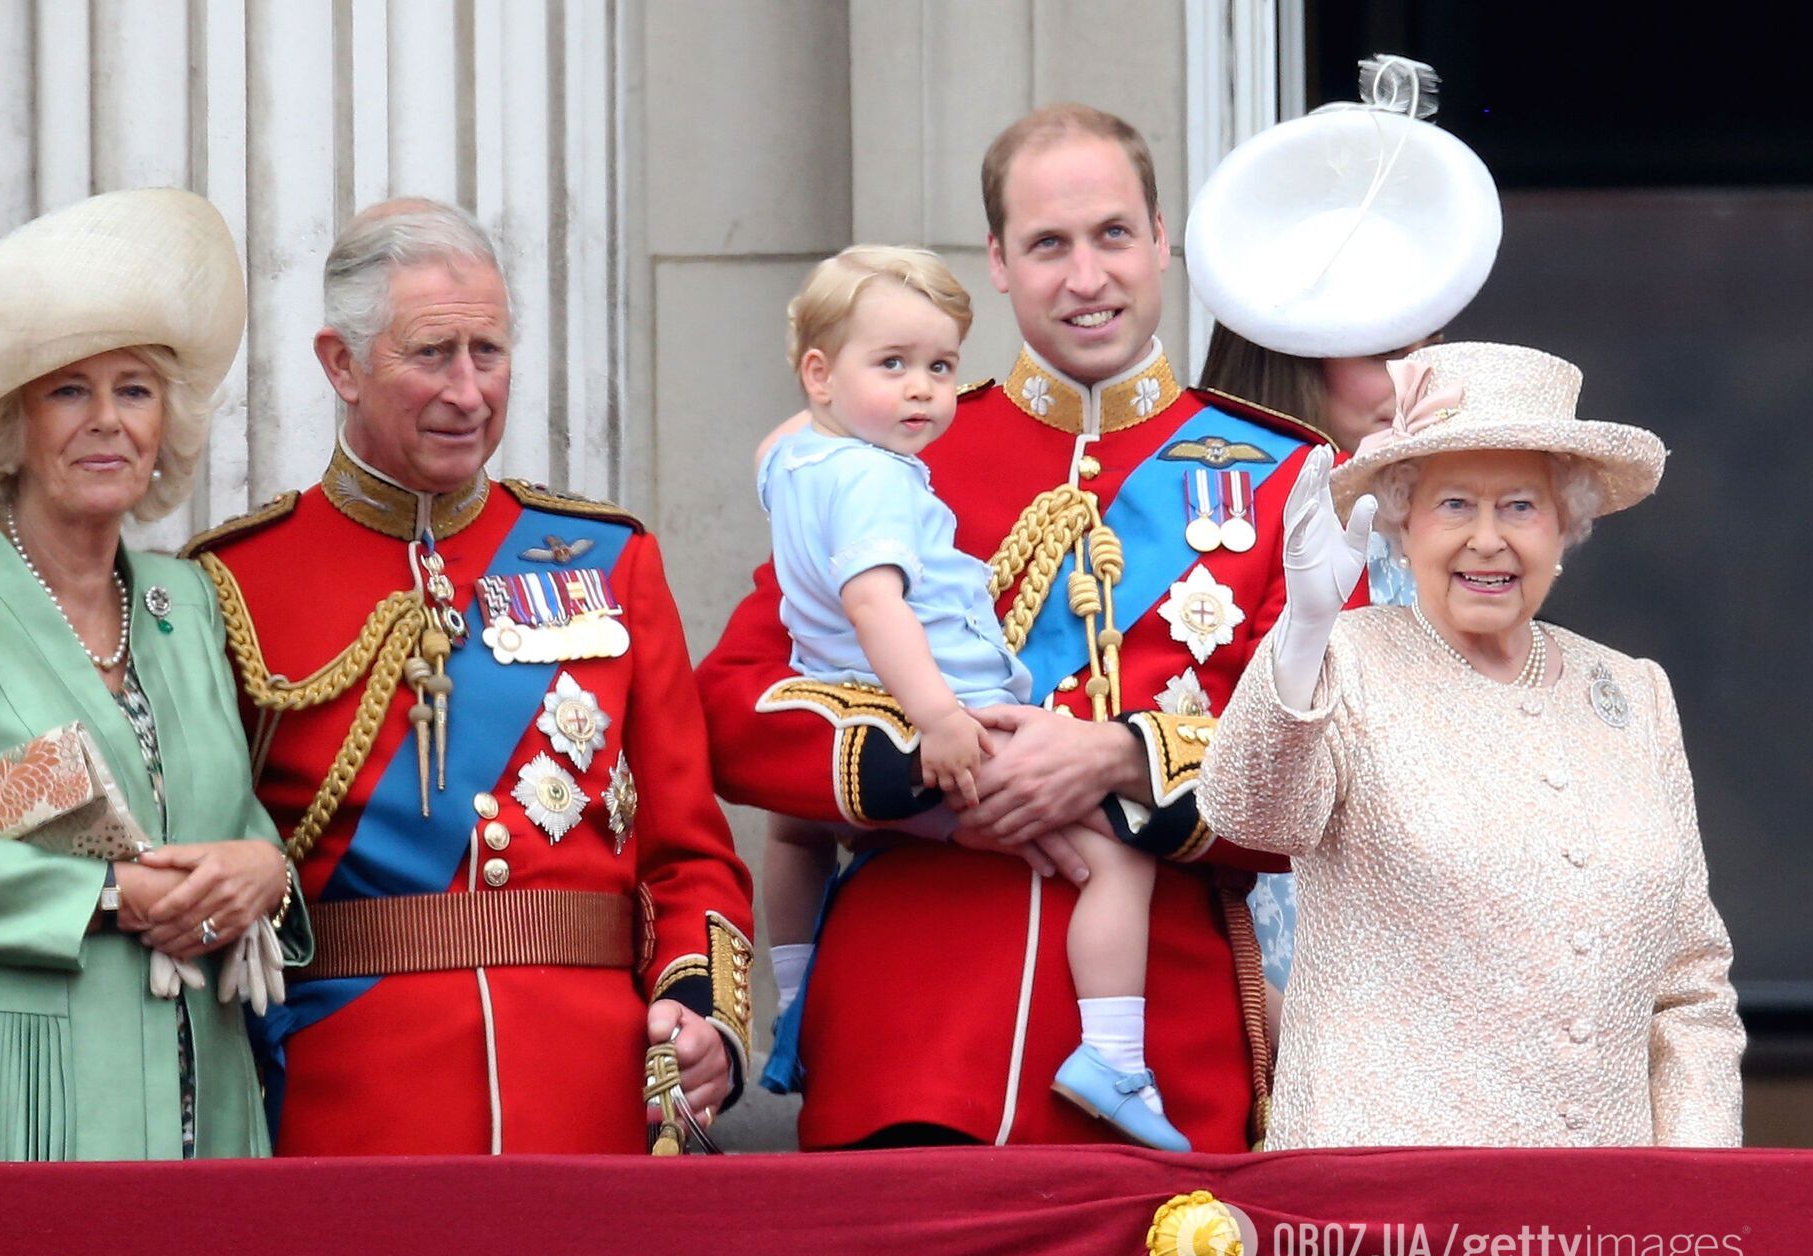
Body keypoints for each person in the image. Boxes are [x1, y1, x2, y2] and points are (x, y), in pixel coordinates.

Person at [699, 104, 1348, 1151]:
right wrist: (932, 771)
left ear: (1159, 240)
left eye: (1110, 236)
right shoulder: (898, 455)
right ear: (997, 263)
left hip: (1165, 1053)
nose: (1084, 277)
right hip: (908, 1037)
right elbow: (735, 705)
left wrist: (1118, 758)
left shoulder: (1280, 476)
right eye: (1047, 245)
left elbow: (1334, 772)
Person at [184, 198, 755, 1155]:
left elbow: (689, 852)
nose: (467, 391)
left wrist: (703, 1016)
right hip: (346, 1097)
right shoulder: (235, 581)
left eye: (487, 354)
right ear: (341, 364)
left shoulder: (612, 560)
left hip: (587, 1099)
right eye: (430, 354)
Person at [0, 188, 310, 1161]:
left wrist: (266, 869)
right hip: (9, 1093)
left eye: (133, 390)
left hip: (197, 1090)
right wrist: (110, 896)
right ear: (10, 426)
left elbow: (222, 812)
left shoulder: (186, 600)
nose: (107, 421)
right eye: (66, 391)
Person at [1197, 341, 1745, 1147]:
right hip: (1388, 1216)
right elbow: (1252, 814)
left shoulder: (1635, 693)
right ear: (1402, 520)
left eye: (1520, 506)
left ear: (1566, 524)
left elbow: (1690, 987)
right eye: (1454, 504)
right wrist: (1303, 631)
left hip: (1597, 1228)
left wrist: (1692, 1204)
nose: (1487, 539)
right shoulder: (1343, 661)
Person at [758, 244, 1184, 1149]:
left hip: (861, 716)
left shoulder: (801, 455)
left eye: (940, 368)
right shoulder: (883, 471)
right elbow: (836, 632)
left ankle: (794, 995)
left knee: (795, 836)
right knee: (1112, 855)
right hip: (953, 726)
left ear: (1157, 239)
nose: (921, 392)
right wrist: (941, 723)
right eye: (895, 367)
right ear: (1001, 255)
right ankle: (1113, 1054)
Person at [1186, 54, 1504, 1036]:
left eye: (1426, 346)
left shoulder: (1456, 522)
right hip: (1263, 960)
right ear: (1289, 353)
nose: (1414, 380)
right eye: (1381, 353)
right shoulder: (1209, 508)